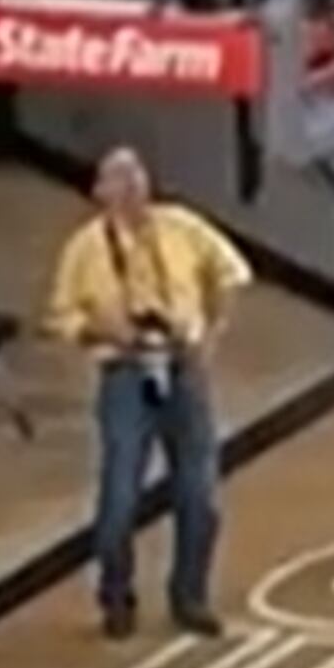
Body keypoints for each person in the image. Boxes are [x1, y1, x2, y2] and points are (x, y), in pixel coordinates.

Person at [41, 149, 250, 639]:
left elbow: (232, 273)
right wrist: (104, 330)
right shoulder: (84, 248)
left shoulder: (181, 227)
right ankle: (116, 595)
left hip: (183, 366)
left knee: (199, 493)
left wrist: (212, 335)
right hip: (125, 372)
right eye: (120, 178)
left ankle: (190, 594)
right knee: (119, 497)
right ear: (100, 191)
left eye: (137, 175)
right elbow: (61, 316)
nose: (133, 186)